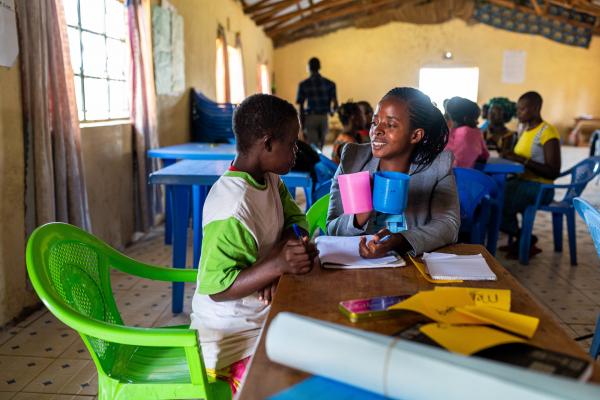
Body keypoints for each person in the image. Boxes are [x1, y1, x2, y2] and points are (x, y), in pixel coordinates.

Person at [190, 94, 319, 394]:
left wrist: (275, 263)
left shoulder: (270, 178)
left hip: (260, 316)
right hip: (231, 339)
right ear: (268, 143)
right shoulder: (233, 208)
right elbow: (217, 288)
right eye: (293, 143)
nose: (297, 150)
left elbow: (297, 221)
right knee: (290, 386)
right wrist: (276, 265)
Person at [326, 87, 460, 257]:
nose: (377, 130)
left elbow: (448, 225)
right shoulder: (353, 159)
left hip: (413, 266)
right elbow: (332, 228)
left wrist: (401, 240)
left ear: (415, 135)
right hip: (358, 265)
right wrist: (360, 214)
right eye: (375, 122)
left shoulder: (438, 165)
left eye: (390, 125)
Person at [500, 91, 561, 259]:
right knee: (492, 192)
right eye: (518, 109)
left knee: (500, 201)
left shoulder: (547, 132)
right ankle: (522, 238)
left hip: (541, 187)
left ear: (536, 108)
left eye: (522, 109)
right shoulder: (525, 130)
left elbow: (554, 171)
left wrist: (523, 160)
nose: (518, 113)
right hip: (523, 182)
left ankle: (523, 240)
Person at [296, 57, 338, 149]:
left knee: (313, 147)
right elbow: (335, 105)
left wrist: (301, 125)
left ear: (308, 68)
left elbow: (301, 107)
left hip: (310, 118)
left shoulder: (303, 84)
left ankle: (315, 162)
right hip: (323, 117)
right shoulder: (330, 84)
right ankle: (319, 161)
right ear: (319, 67)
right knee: (321, 146)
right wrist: (331, 112)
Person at [445, 96, 490, 168]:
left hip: (444, 177)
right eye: (475, 119)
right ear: (466, 119)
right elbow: (485, 156)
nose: (477, 122)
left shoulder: (445, 134)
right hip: (467, 176)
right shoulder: (475, 132)